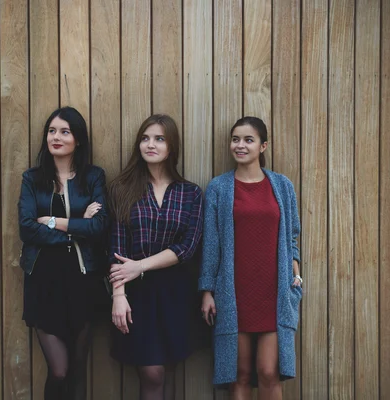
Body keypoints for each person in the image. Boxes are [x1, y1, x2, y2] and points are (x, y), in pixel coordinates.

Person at [199, 116, 303, 399]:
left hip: (274, 292)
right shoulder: (219, 188)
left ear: (263, 146)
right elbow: (211, 243)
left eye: (248, 140)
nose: (240, 145)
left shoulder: (281, 186)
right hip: (234, 293)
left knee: (269, 371)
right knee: (240, 374)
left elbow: (292, 232)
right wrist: (207, 290)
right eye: (235, 139)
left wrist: (294, 266)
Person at [108, 114, 204, 400]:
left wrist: (141, 266)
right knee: (152, 372)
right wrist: (118, 295)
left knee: (167, 369)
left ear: (171, 145)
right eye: (145, 138)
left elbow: (188, 247)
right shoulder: (121, 189)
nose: (150, 144)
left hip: (175, 291)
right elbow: (116, 247)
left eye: (159, 139)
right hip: (136, 294)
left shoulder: (191, 193)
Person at [18, 106, 109, 400]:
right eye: (52, 131)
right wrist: (76, 228)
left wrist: (55, 223)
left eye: (65, 131)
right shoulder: (32, 179)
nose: (56, 137)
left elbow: (100, 227)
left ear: (78, 139)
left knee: (78, 368)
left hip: (83, 281)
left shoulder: (93, 177)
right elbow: (27, 228)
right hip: (44, 282)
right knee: (59, 371)